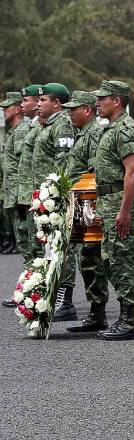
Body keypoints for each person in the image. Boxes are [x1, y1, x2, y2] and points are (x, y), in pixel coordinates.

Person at [91, 81, 134, 341]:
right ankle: (125, 315)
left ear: (116, 101)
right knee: (111, 260)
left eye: (102, 99)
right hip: (110, 202)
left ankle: (132, 320)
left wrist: (124, 210)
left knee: (123, 261)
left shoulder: (125, 128)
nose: (97, 103)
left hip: (120, 203)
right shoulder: (110, 128)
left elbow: (133, 171)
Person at [28, 83, 78, 320]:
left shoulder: (63, 125)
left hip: (56, 197)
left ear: (56, 103)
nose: (38, 104)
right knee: (49, 247)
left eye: (43, 100)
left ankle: (65, 301)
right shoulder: (46, 125)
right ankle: (54, 293)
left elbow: (63, 163)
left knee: (62, 247)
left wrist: (54, 194)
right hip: (45, 197)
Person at [62, 91, 108, 333]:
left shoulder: (95, 134)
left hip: (91, 206)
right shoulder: (83, 134)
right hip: (80, 206)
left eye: (73, 109)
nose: (69, 113)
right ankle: (96, 314)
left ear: (87, 110)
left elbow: (93, 172)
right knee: (87, 261)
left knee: (94, 260)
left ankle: (102, 313)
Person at [1, 89, 32, 287]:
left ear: (18, 108)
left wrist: (23, 198)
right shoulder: (13, 132)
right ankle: (29, 289)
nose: (4, 110)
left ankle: (33, 290)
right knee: (23, 245)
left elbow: (25, 167)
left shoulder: (21, 132)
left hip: (21, 196)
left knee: (28, 246)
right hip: (13, 195)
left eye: (7, 107)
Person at [15, 84, 45, 265]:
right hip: (28, 195)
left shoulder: (42, 127)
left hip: (40, 195)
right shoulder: (32, 127)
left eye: (26, 100)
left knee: (41, 245)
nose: (22, 105)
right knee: (31, 245)